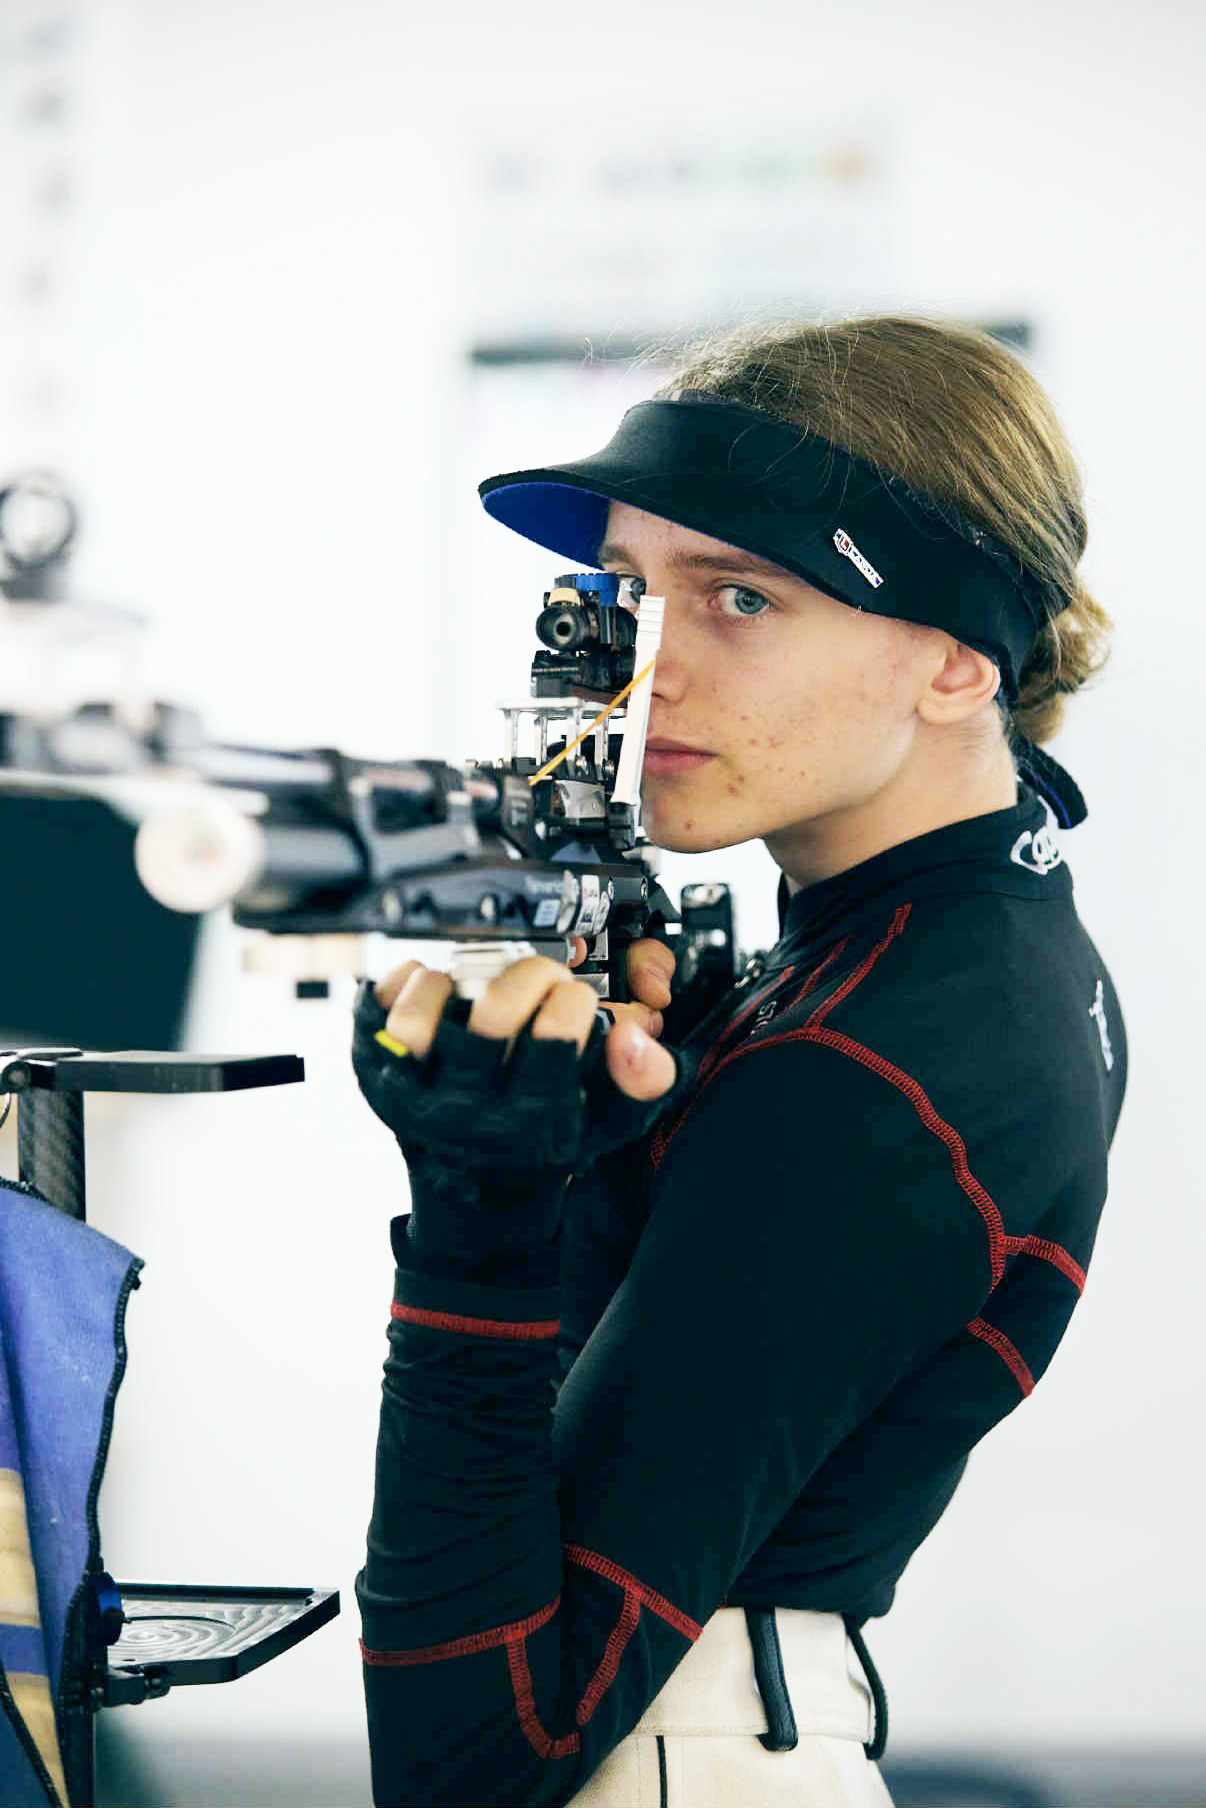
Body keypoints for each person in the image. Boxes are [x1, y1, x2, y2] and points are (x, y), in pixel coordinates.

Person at [350, 315, 1127, 1807]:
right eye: (632, 596)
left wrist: (479, 1211)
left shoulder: (867, 1059)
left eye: (741, 600)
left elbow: (473, 1759)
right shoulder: (946, 939)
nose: (654, 673)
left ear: (958, 663)